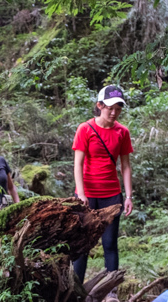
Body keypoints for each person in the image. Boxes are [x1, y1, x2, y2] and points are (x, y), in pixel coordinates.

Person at [72, 85, 134, 284]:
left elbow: (125, 166)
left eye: (118, 108)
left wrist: (129, 196)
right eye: (110, 108)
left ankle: (111, 292)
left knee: (110, 244)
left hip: (111, 195)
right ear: (99, 105)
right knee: (81, 246)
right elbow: (78, 164)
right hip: (87, 194)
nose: (114, 112)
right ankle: (76, 291)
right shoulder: (86, 129)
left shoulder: (122, 132)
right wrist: (81, 194)